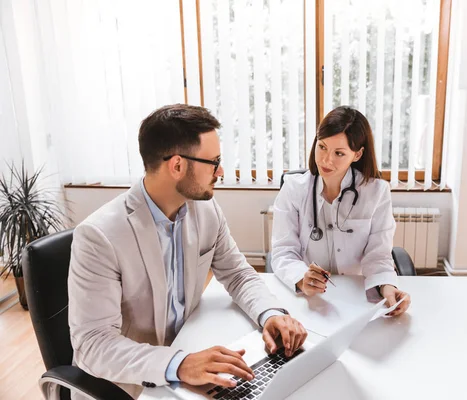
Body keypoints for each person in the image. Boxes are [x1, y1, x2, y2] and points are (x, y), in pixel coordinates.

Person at [68, 104, 307, 399]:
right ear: (177, 166)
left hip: (189, 352)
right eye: (214, 161)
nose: (220, 171)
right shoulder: (99, 237)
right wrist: (179, 363)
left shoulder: (205, 209)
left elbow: (237, 273)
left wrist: (270, 314)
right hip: (130, 383)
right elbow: (93, 344)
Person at [271, 106, 411, 315]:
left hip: (356, 298)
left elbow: (378, 255)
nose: (326, 160)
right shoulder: (294, 189)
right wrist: (300, 277)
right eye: (322, 147)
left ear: (357, 154)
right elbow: (283, 251)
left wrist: (387, 286)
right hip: (311, 300)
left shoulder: (376, 192)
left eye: (339, 153)